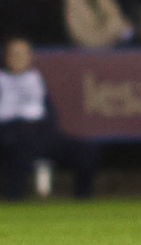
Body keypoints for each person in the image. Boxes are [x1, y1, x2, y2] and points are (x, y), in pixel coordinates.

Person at [0, 37, 99, 200]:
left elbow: (48, 113)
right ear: (6, 56)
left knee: (86, 150)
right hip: (10, 134)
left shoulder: (35, 78)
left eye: (23, 54)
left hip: (40, 132)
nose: (19, 58)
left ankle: (83, 200)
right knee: (22, 145)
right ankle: (13, 200)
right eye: (14, 54)